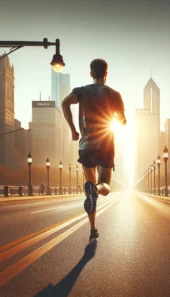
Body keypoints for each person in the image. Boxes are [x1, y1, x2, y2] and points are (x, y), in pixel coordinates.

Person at [61, 58, 126, 242]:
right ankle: (96, 189)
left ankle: (92, 229)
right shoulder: (114, 94)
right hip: (105, 145)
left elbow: (65, 103)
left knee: (88, 186)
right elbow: (122, 121)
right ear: (106, 74)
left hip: (85, 146)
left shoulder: (81, 91)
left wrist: (73, 130)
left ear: (91, 73)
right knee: (104, 185)